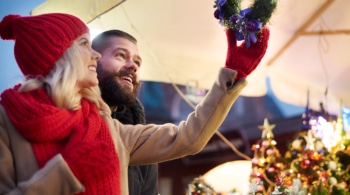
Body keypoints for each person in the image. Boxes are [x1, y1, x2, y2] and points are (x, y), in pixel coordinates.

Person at [0, 13, 269, 195]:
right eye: (84, 43)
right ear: (59, 53)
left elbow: (188, 138)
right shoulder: (6, 121)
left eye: (137, 62)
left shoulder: (106, 125)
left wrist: (234, 73)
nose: (93, 53)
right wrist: (69, 171)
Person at [92, 30, 159, 195]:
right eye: (120, 55)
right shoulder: (65, 117)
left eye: (137, 62)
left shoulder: (139, 137)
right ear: (92, 61)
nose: (133, 66)